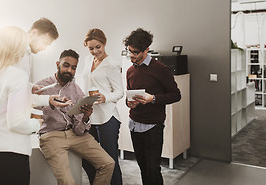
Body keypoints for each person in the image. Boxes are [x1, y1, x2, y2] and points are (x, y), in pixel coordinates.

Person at [0, 26, 66, 185]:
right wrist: (37, 123)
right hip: (7, 156)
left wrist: (44, 99)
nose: (24, 51)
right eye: (22, 46)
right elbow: (17, 123)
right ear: (15, 48)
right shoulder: (17, 76)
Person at [34, 49, 115, 185]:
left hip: (75, 135)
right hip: (51, 136)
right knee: (68, 182)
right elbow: (31, 112)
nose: (69, 70)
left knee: (108, 163)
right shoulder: (41, 86)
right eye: (66, 65)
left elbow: (79, 130)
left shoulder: (77, 90)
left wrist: (85, 117)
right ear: (58, 64)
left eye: (73, 67)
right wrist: (49, 107)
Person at [123, 28, 181, 185]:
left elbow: (176, 95)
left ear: (146, 50)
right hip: (134, 124)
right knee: (143, 168)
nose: (131, 55)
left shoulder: (160, 69)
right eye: (129, 51)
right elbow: (128, 96)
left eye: (135, 52)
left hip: (153, 127)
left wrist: (153, 98)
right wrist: (129, 103)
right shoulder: (130, 71)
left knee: (153, 170)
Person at [82, 28, 124, 185]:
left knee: (110, 160)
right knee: (90, 159)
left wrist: (105, 97)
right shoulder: (87, 60)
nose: (94, 51)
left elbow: (120, 92)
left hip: (108, 118)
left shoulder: (112, 65)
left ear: (104, 43)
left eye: (98, 47)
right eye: (91, 48)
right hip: (90, 117)